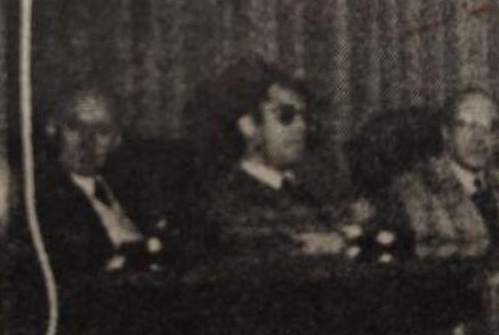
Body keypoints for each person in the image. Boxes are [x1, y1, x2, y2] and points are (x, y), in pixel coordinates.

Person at [192, 57, 351, 256]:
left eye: (304, 117)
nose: (301, 127)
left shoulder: (302, 190)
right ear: (248, 125)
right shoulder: (228, 199)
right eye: (286, 115)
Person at [384, 88, 499, 255]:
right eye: (467, 126)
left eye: (489, 128)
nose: (479, 139)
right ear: (446, 133)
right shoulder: (417, 188)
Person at [27, 88, 184, 277]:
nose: (87, 142)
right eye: (75, 127)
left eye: (101, 131)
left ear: (116, 140)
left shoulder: (132, 191)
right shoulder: (42, 199)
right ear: (52, 130)